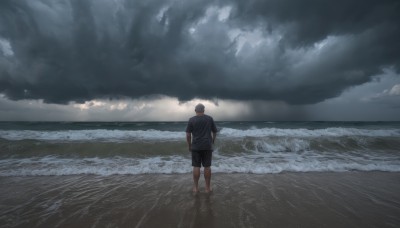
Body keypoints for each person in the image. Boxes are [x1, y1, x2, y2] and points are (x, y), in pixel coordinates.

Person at [186, 103, 217, 193]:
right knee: (207, 167)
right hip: (207, 145)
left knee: (196, 166)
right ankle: (207, 188)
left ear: (195, 110)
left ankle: (196, 188)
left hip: (196, 146)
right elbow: (215, 132)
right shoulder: (209, 119)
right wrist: (213, 141)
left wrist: (189, 145)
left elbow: (188, 134)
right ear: (203, 110)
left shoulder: (191, 120)